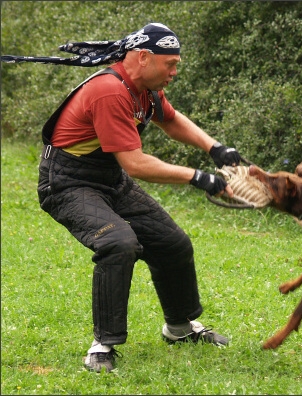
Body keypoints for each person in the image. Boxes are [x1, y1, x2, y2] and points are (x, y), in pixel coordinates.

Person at [2, 23, 242, 372]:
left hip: (109, 179)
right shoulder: (109, 91)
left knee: (171, 242)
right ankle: (102, 345)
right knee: (118, 242)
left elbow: (171, 120)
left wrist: (215, 148)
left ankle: (179, 328)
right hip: (67, 183)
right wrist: (200, 177)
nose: (174, 72)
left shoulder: (145, 88)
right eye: (170, 64)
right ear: (143, 57)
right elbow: (136, 163)